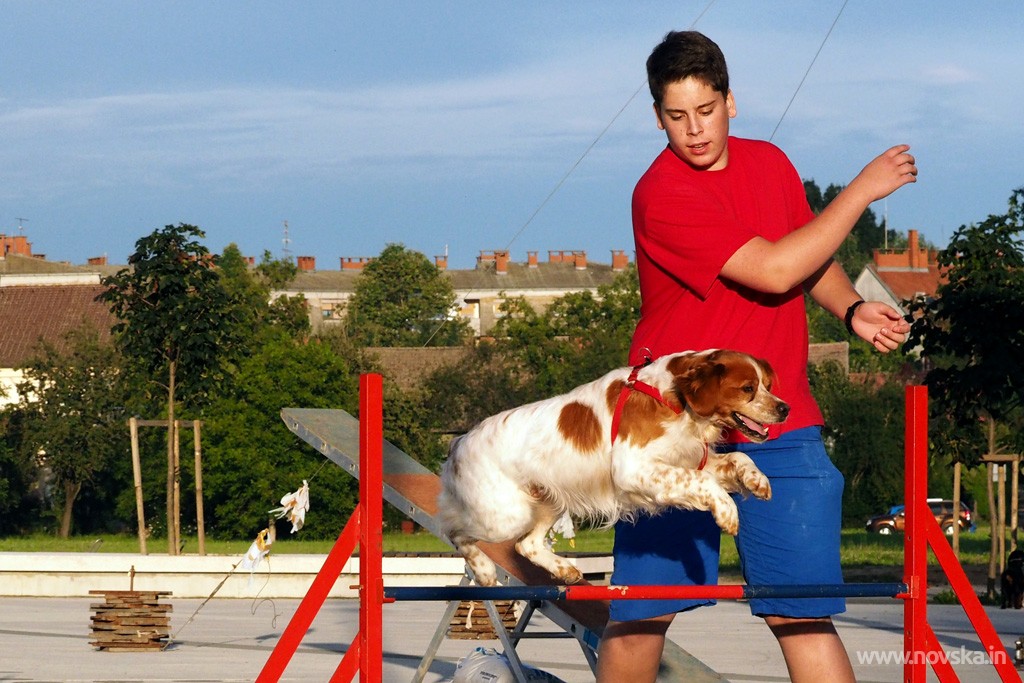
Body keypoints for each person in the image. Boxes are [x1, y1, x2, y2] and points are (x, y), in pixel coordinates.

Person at [595, 30, 917, 682]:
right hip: (673, 428)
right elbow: (773, 269)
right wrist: (859, 191)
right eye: (677, 116)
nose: (694, 130)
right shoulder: (660, 193)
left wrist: (850, 307)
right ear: (657, 117)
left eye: (706, 110)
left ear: (731, 102)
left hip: (779, 425)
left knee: (803, 615)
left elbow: (805, 254)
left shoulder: (770, 164)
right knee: (642, 615)